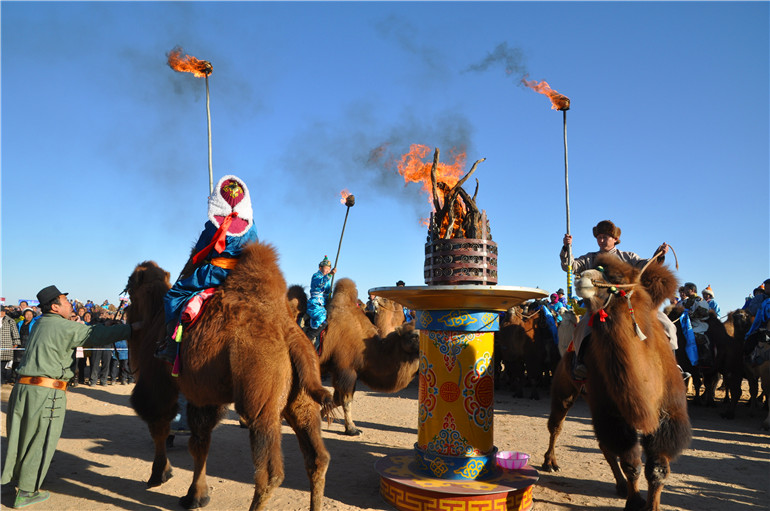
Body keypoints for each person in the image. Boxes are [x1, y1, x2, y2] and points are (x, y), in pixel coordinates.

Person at [1, 285, 141, 508]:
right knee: (41, 438)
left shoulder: (40, 323)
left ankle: (8, 482)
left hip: (24, 389)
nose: (70, 304)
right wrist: (131, 329)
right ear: (55, 307)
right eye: (66, 302)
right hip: (46, 393)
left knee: (20, 437)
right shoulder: (63, 326)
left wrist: (103, 325)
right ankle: (27, 491)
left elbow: (83, 332)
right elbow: (93, 336)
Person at [156, 175, 259, 363]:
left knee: (174, 296)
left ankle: (171, 348)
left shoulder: (213, 225)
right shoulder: (252, 227)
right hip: (240, 278)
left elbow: (202, 250)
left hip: (213, 275)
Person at [560, 220, 673, 380]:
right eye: (599, 237)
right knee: (582, 328)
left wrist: (658, 254)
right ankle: (581, 362)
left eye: (605, 236)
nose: (601, 240)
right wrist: (567, 247)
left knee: (667, 325)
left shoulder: (628, 257)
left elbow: (646, 266)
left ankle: (673, 366)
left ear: (615, 239)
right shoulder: (590, 259)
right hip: (599, 308)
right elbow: (570, 266)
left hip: (628, 305)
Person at [679, 282, 714, 368]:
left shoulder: (699, 301)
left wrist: (691, 314)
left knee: (695, 335)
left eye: (687, 289)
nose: (685, 291)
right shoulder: (685, 302)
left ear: (693, 290)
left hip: (699, 324)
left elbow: (705, 313)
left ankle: (705, 356)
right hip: (686, 323)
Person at [306, 256, 336, 342]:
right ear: (320, 268)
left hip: (324, 304)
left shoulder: (328, 280)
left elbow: (327, 292)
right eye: (325, 269)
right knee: (322, 318)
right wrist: (330, 274)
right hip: (315, 303)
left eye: (328, 269)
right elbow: (320, 284)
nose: (327, 271)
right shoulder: (316, 276)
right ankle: (307, 339)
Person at [1, 305, 21, 384]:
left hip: (6, 347)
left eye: (3, 311)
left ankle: (2, 381)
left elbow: (15, 333)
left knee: (3, 367)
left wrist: (16, 343)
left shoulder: (10, 321)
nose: (1, 313)